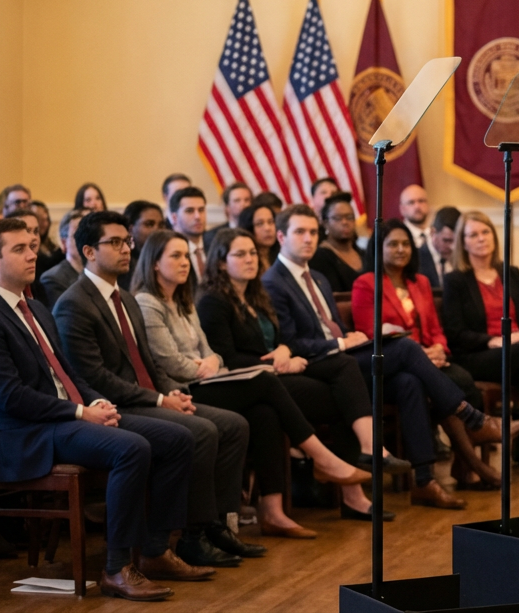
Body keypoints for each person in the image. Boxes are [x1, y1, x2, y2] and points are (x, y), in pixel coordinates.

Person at [0, 218, 208, 599]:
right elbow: (11, 397)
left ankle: (156, 550)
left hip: (67, 416)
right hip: (26, 431)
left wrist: (94, 401)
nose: (32, 254)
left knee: (176, 437)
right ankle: (117, 567)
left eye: (32, 246)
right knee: (131, 447)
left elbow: (67, 374)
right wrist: (80, 413)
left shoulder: (35, 308)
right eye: (19, 249)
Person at [263, 205, 518, 508]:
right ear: (281, 236)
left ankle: (424, 480)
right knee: (408, 348)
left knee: (410, 381)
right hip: (320, 366)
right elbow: (292, 342)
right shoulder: (273, 281)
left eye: (313, 232)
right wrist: (343, 344)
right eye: (300, 232)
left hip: (344, 359)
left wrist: (348, 340)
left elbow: (334, 326)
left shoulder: (317, 277)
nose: (309, 239)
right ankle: (472, 418)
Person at [133, 229, 370, 539]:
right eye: (175, 256)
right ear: (153, 263)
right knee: (266, 382)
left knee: (265, 413)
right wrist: (207, 365)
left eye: (186, 256)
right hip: (184, 391)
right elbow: (169, 361)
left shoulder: (183, 299)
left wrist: (211, 363)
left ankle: (272, 511)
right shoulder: (149, 303)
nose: (184, 263)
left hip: (211, 378)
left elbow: (213, 353)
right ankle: (321, 458)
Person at [53, 211, 251, 568]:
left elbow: (146, 362)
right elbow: (94, 376)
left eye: (127, 241)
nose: (126, 249)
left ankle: (214, 525)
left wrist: (169, 394)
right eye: (114, 242)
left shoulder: (126, 298)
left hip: (147, 397)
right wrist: (159, 399)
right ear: (88, 251)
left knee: (233, 424)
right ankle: (177, 540)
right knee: (200, 431)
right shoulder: (73, 304)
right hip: (115, 406)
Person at [198, 228, 397, 528]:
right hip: (249, 381)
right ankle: (333, 471)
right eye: (240, 254)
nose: (250, 259)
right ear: (221, 263)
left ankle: (346, 482)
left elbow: (280, 339)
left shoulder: (255, 294)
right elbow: (225, 356)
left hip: (274, 374)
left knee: (343, 375)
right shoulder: (213, 301)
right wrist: (279, 362)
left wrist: (284, 350)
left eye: (252, 252)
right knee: (338, 396)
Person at [441, 210, 519, 467]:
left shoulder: (511, 273)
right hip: (477, 355)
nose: (481, 238)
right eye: (472, 234)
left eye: (485, 232)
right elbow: (455, 332)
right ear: (462, 243)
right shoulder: (456, 280)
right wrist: (492, 340)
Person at [353, 219, 484, 411]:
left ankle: (475, 436)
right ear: (378, 248)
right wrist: (420, 355)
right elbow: (369, 333)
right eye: (393, 244)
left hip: (430, 357)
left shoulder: (421, 282)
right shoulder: (366, 283)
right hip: (395, 362)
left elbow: (435, 328)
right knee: (441, 381)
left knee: (462, 377)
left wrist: (439, 348)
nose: (401, 249)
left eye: (406, 244)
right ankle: (476, 429)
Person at [309, 192, 363, 292]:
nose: (345, 222)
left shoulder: (363, 253)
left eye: (349, 217)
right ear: (325, 223)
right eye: (338, 218)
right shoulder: (319, 257)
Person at [400, 184, 443, 292]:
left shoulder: (440, 236)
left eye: (421, 201)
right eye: (411, 202)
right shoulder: (399, 238)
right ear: (402, 209)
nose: (417, 206)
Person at [40, 209, 85, 307]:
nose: (85, 240)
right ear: (64, 243)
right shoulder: (52, 279)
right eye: (78, 235)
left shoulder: (101, 272)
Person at [122, 200, 166, 292]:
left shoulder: (166, 258)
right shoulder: (124, 262)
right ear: (130, 230)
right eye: (149, 224)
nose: (157, 230)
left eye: (161, 225)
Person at [169, 187, 210, 282]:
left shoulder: (214, 245)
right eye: (190, 211)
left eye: (201, 210)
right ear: (174, 217)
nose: (197, 216)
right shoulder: (168, 251)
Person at [205, 182, 253, 247]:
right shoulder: (212, 236)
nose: (243, 204)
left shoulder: (257, 232)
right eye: (237, 200)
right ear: (227, 207)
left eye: (247, 200)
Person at [427, 205, 462, 293]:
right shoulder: (417, 257)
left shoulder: (466, 257)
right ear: (432, 232)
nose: (453, 247)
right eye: (447, 240)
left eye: (457, 241)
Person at [239, 202, 280, 271]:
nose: (267, 228)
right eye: (260, 224)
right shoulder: (245, 261)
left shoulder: (283, 256)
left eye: (270, 222)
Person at [28, 200, 60, 269]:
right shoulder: (30, 247)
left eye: (46, 220)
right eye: (41, 220)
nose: (45, 224)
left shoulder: (50, 244)